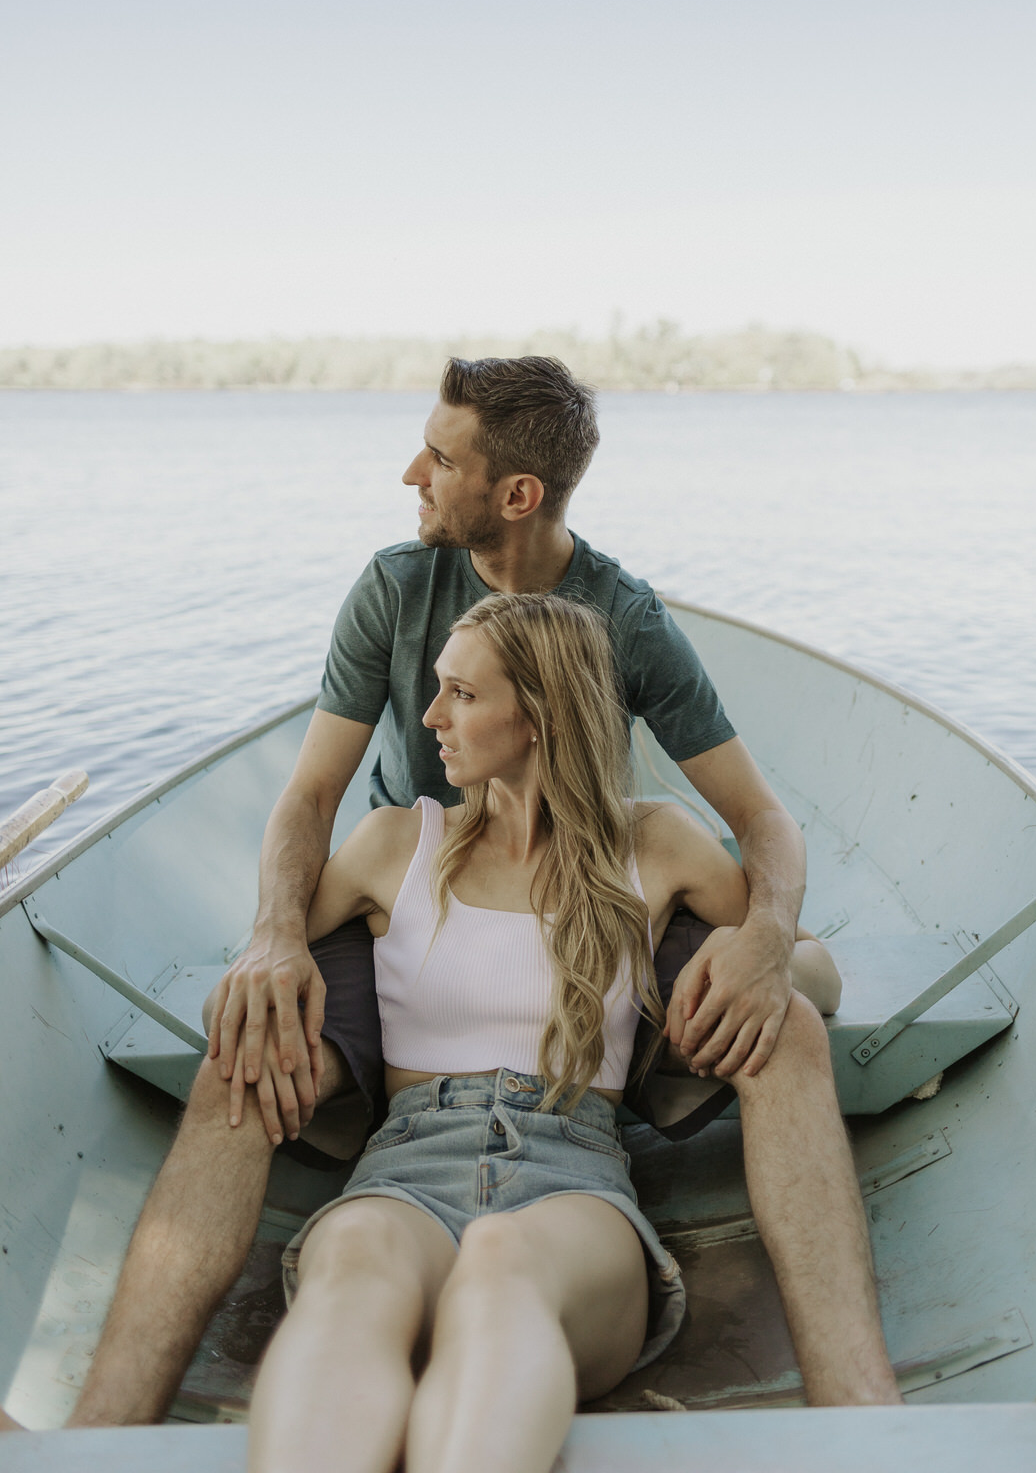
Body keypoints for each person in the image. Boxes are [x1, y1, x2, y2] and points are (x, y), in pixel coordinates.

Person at [70, 355, 900, 1425]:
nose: (411, 471)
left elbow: (762, 820)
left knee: (782, 1023)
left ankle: (863, 1409)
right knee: (250, 1043)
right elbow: (309, 792)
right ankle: (100, 1425)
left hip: (598, 891)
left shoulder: (625, 629)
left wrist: (764, 937)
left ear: (516, 494)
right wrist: (275, 936)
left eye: (441, 456)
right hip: (406, 903)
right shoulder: (396, 591)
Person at [247, 592, 846, 1473]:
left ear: (538, 715)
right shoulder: (390, 843)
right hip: (405, 1162)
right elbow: (269, 963)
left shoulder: (657, 842)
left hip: (572, 1174)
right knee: (358, 1258)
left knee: (501, 1256)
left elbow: (816, 975)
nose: (429, 717)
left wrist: (749, 953)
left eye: (460, 694)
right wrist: (271, 946)